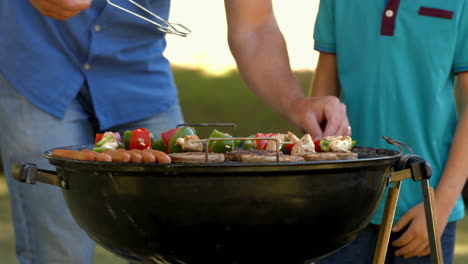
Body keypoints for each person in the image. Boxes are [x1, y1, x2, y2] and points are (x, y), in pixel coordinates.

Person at [0, 0, 350, 263]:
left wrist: (294, 102)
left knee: (190, 243)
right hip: (36, 69)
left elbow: (254, 27)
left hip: (138, 77)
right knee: (59, 251)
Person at [310, 0, 468, 263]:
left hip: (425, 207)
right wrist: (317, 182)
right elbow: (324, 94)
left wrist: (439, 207)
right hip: (343, 205)